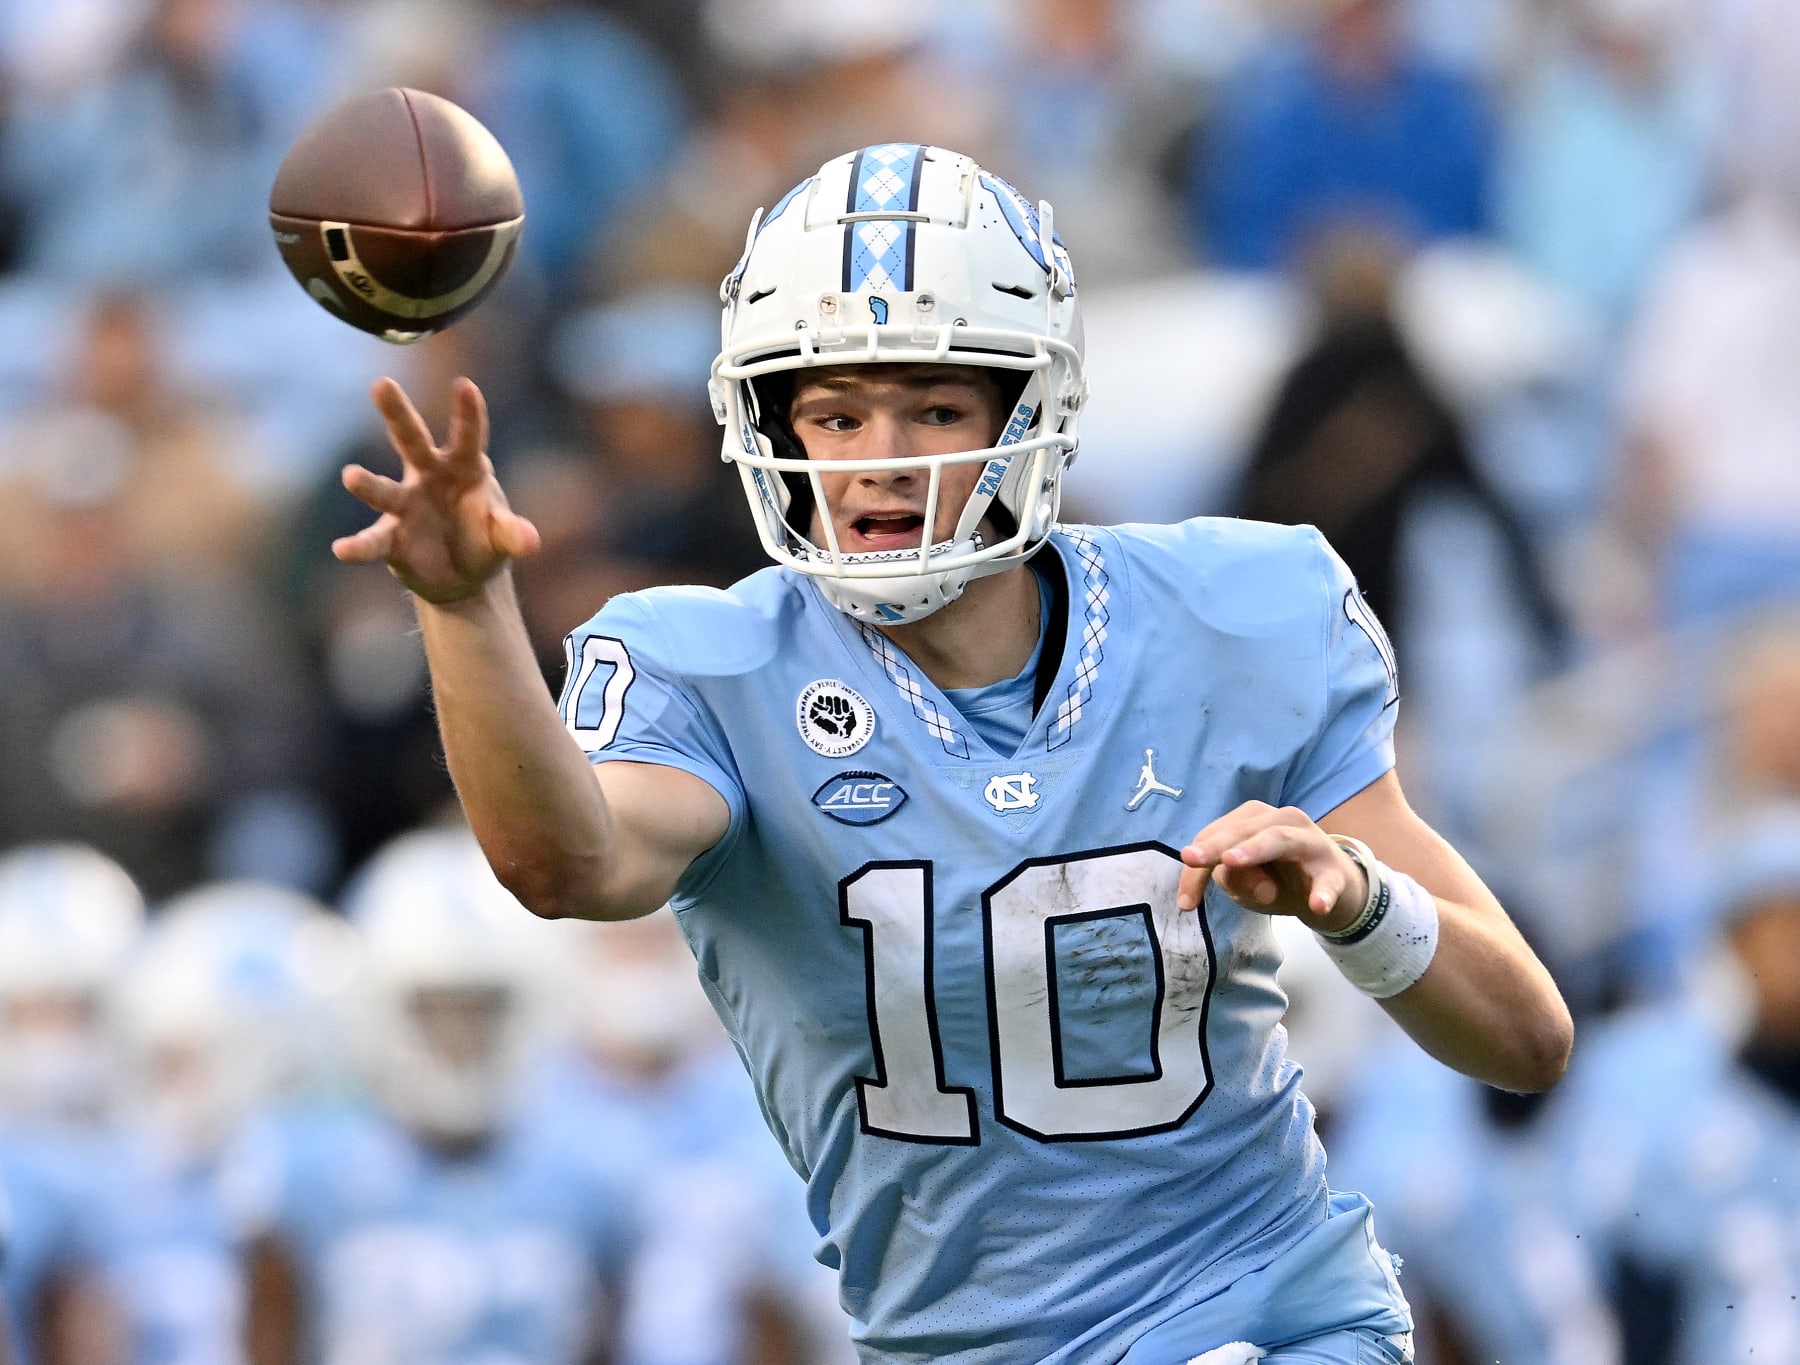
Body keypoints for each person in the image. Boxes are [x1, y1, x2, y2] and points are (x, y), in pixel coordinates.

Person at [333, 143, 1572, 1363]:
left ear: (1028, 412)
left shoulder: (1236, 612)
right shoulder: (714, 669)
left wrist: (1359, 903)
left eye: (934, 406)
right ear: (773, 425)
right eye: (835, 411)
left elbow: (1524, 1038)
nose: (881, 460)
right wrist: (462, 608)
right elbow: (567, 866)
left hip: (1263, 1317)